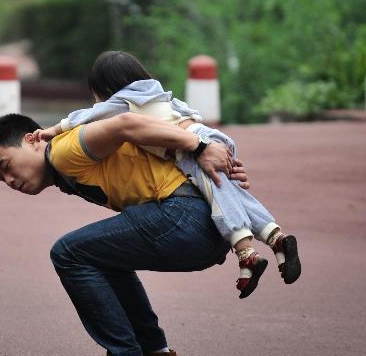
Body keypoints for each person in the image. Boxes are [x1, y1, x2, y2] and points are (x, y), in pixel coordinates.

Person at [0, 99, 249, 356]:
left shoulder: (64, 149)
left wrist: (203, 147)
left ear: (31, 140)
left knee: (68, 252)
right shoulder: (63, 166)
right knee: (103, 254)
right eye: (0, 177)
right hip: (207, 225)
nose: (8, 179)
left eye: (6, 166)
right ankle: (154, 354)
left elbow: (125, 123)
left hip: (187, 218)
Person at [35, 50, 301, 299]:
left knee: (217, 192)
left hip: (195, 144)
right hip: (207, 135)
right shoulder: (157, 94)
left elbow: (89, 116)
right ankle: (275, 237)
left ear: (106, 88)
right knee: (232, 191)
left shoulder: (124, 101)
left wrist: (53, 130)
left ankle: (246, 254)